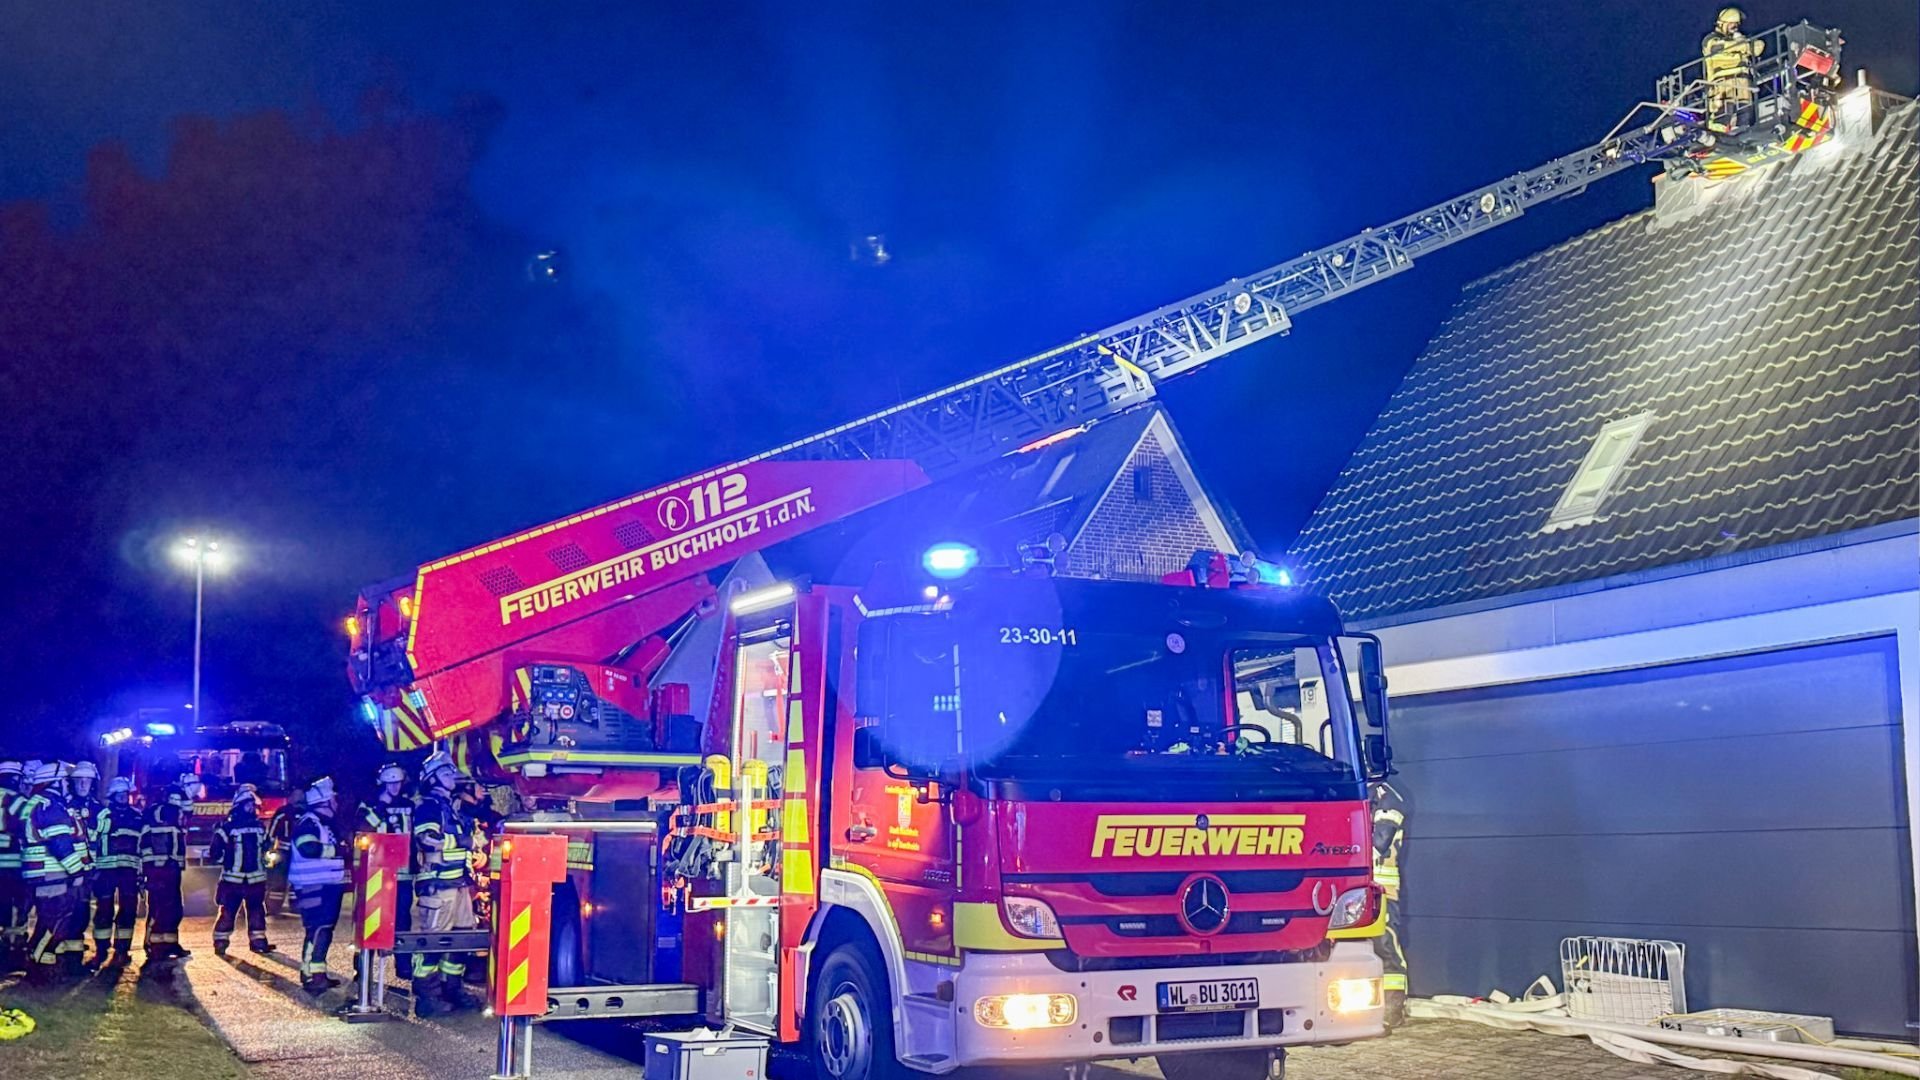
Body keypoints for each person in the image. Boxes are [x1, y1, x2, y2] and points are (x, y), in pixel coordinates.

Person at [409, 752, 480, 1016]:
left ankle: (452, 988)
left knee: (462, 938)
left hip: (458, 884)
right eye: (446, 772)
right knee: (433, 942)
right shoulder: (429, 806)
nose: (452, 776)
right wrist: (462, 842)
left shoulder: (451, 807)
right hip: (438, 885)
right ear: (432, 778)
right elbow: (427, 839)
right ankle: (427, 996)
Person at [19, 762, 84, 983]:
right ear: (55, 782)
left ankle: (45, 969)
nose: (68, 785)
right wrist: (77, 871)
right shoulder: (51, 805)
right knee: (54, 921)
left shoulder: (35, 802)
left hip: (38, 873)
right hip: (50, 873)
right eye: (65, 781)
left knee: (47, 921)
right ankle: (36, 966)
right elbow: (60, 843)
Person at [289, 776, 348, 994]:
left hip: (325, 885)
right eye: (334, 799)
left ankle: (317, 973)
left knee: (323, 929)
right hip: (313, 885)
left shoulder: (322, 824)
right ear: (326, 801)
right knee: (318, 929)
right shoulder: (309, 823)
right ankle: (311, 975)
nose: (337, 803)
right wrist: (339, 851)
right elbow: (308, 848)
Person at [140, 772, 200, 964]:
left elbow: (188, 812)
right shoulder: (155, 812)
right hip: (158, 869)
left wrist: (185, 792)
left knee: (174, 908)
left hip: (172, 867)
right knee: (157, 908)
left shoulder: (175, 815)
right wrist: (148, 867)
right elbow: (144, 841)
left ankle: (170, 944)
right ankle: (153, 945)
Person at [208, 784, 273, 956]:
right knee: (228, 913)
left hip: (254, 880)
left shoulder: (259, 827)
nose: (252, 808)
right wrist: (227, 863)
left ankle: (258, 942)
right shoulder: (227, 828)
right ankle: (220, 942)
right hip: (233, 881)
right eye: (248, 804)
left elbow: (267, 846)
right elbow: (215, 852)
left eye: (252, 804)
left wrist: (265, 860)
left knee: (257, 912)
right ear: (240, 806)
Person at [354, 762, 415, 934]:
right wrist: (381, 807)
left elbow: (413, 834)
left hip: (403, 871)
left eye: (398, 783)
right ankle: (371, 951)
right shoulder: (369, 804)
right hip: (378, 870)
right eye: (391, 783)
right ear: (382, 783)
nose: (395, 787)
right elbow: (363, 827)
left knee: (402, 916)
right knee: (375, 918)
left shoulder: (408, 804)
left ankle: (401, 950)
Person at [89, 776, 143, 965]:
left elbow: (142, 844)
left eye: (125, 794)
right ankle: (101, 949)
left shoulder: (137, 816)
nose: (123, 797)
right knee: (104, 909)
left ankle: (122, 950)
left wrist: (141, 870)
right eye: (119, 794)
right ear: (112, 795)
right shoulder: (103, 815)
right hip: (105, 870)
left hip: (129, 870)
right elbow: (93, 840)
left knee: (128, 910)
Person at [1370, 778, 1409, 1028]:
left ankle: (1394, 1006)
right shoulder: (1356, 791)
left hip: (1383, 887)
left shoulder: (1387, 797)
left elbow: (1379, 842)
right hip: (1357, 887)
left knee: (1386, 943)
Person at [56, 762, 101, 973]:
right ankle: (59, 960)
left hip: (87, 871)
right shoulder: (63, 806)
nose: (83, 784)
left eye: (87, 780)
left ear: (93, 783)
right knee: (64, 914)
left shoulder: (99, 809)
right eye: (78, 780)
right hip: (66, 870)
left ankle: (74, 962)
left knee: (81, 915)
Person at [1702, 7, 1765, 131]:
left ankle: (1743, 135)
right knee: (1724, 112)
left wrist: (1741, 45)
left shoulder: (1739, 40)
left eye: (1736, 24)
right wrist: (1744, 47)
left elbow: (1759, 47)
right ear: (1722, 23)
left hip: (1743, 83)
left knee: (1745, 113)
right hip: (1722, 83)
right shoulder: (1711, 39)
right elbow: (1719, 47)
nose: (1735, 27)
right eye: (1732, 24)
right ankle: (1718, 136)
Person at [0, 761, 25, 973]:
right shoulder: (17, 801)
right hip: (12, 865)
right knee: (14, 910)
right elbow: (27, 827)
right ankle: (11, 953)